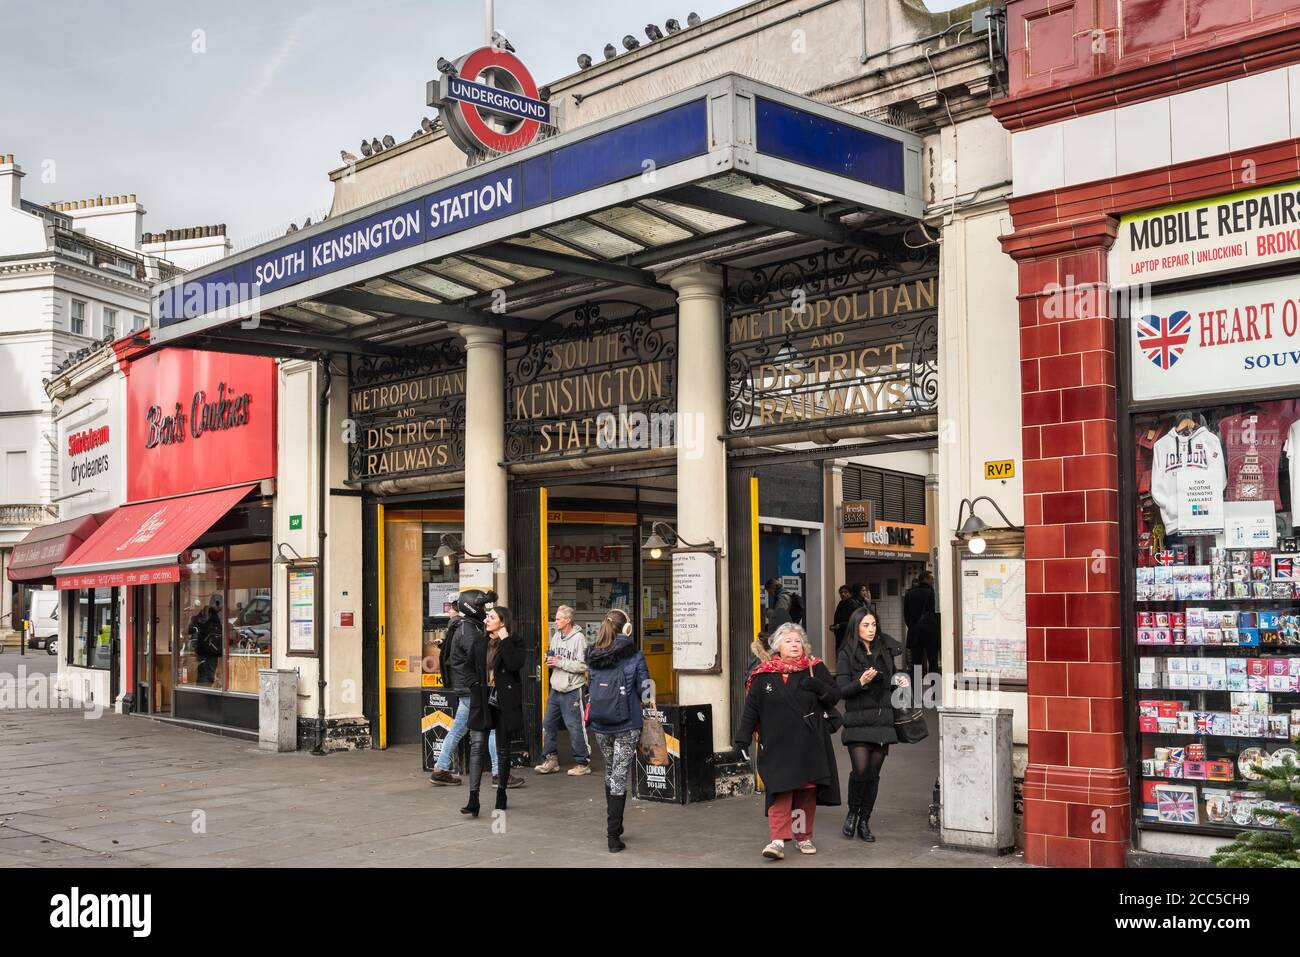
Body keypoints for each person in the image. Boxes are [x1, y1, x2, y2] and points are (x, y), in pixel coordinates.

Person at [734, 622, 841, 860]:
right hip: (776, 744)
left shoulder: (815, 668)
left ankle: (803, 837)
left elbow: (835, 696)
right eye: (788, 641)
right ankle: (777, 841)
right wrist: (742, 738)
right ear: (777, 646)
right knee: (779, 791)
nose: (795, 645)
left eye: (798, 641)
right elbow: (752, 709)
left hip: (809, 742)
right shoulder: (763, 674)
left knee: (805, 793)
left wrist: (819, 687)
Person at [429, 591, 520, 788]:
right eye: (481, 608)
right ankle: (498, 774)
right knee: (494, 727)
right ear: (472, 608)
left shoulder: (462, 627)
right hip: (473, 688)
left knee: (458, 729)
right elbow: (480, 660)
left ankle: (440, 768)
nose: (484, 612)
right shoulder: (469, 631)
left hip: (466, 688)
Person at [836, 606, 903, 843]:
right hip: (857, 722)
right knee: (861, 771)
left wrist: (898, 680)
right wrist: (860, 682)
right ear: (856, 627)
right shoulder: (846, 653)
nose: (871, 629)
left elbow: (892, 679)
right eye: (865, 625)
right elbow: (842, 691)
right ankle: (853, 812)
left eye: (874, 625)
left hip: (882, 720)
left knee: (873, 775)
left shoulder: (884, 650)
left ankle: (864, 819)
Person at [586, 608, 651, 852]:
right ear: (627, 629)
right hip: (627, 723)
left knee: (611, 770)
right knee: (620, 774)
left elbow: (589, 686)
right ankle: (613, 835)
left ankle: (616, 826)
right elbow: (645, 689)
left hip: (601, 723)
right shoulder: (634, 655)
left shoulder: (593, 653)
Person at [460, 604, 526, 818]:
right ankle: (473, 799)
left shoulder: (515, 643)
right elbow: (467, 667)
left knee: (503, 750)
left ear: (503, 622)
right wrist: (474, 685)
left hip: (503, 703)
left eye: (492, 617)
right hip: (482, 701)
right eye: (487, 617)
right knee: (477, 747)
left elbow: (515, 664)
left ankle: (501, 793)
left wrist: (505, 640)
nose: (487, 620)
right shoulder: (479, 642)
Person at [535, 604, 591, 776]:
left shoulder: (579, 638)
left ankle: (583, 763)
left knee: (575, 726)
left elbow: (584, 665)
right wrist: (548, 658)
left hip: (573, 689)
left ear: (567, 620)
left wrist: (560, 663)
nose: (555, 621)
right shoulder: (557, 636)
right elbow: (553, 654)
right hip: (556, 688)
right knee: (548, 723)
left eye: (558, 618)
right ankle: (551, 759)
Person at [904, 571, 940, 680]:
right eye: (932, 579)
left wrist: (913, 626)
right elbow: (934, 613)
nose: (933, 581)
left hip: (915, 632)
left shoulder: (909, 593)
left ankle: (916, 694)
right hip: (930, 633)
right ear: (926, 579)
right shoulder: (931, 592)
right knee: (933, 662)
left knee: (916, 663)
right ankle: (935, 693)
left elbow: (906, 615)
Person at [829, 584, 857, 653]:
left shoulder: (853, 604)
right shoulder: (841, 604)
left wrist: (841, 625)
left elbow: (855, 621)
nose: (843, 594)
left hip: (849, 637)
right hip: (840, 637)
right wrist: (834, 626)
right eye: (841, 593)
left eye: (845, 592)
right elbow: (838, 618)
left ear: (850, 594)